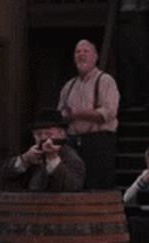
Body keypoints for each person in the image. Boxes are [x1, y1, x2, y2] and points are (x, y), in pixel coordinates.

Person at [57, 39, 120, 190]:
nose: (81, 55)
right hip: (73, 143)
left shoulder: (105, 81)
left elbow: (109, 112)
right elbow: (60, 114)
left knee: (98, 188)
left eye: (86, 51)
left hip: (99, 143)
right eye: (78, 52)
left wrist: (77, 114)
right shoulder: (68, 86)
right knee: (74, 187)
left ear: (95, 57)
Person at [3, 110, 86, 192]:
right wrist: (25, 159)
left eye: (49, 134)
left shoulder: (70, 156)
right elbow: (6, 175)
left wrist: (53, 160)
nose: (43, 138)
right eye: (39, 134)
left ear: (61, 136)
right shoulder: (32, 153)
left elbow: (73, 187)